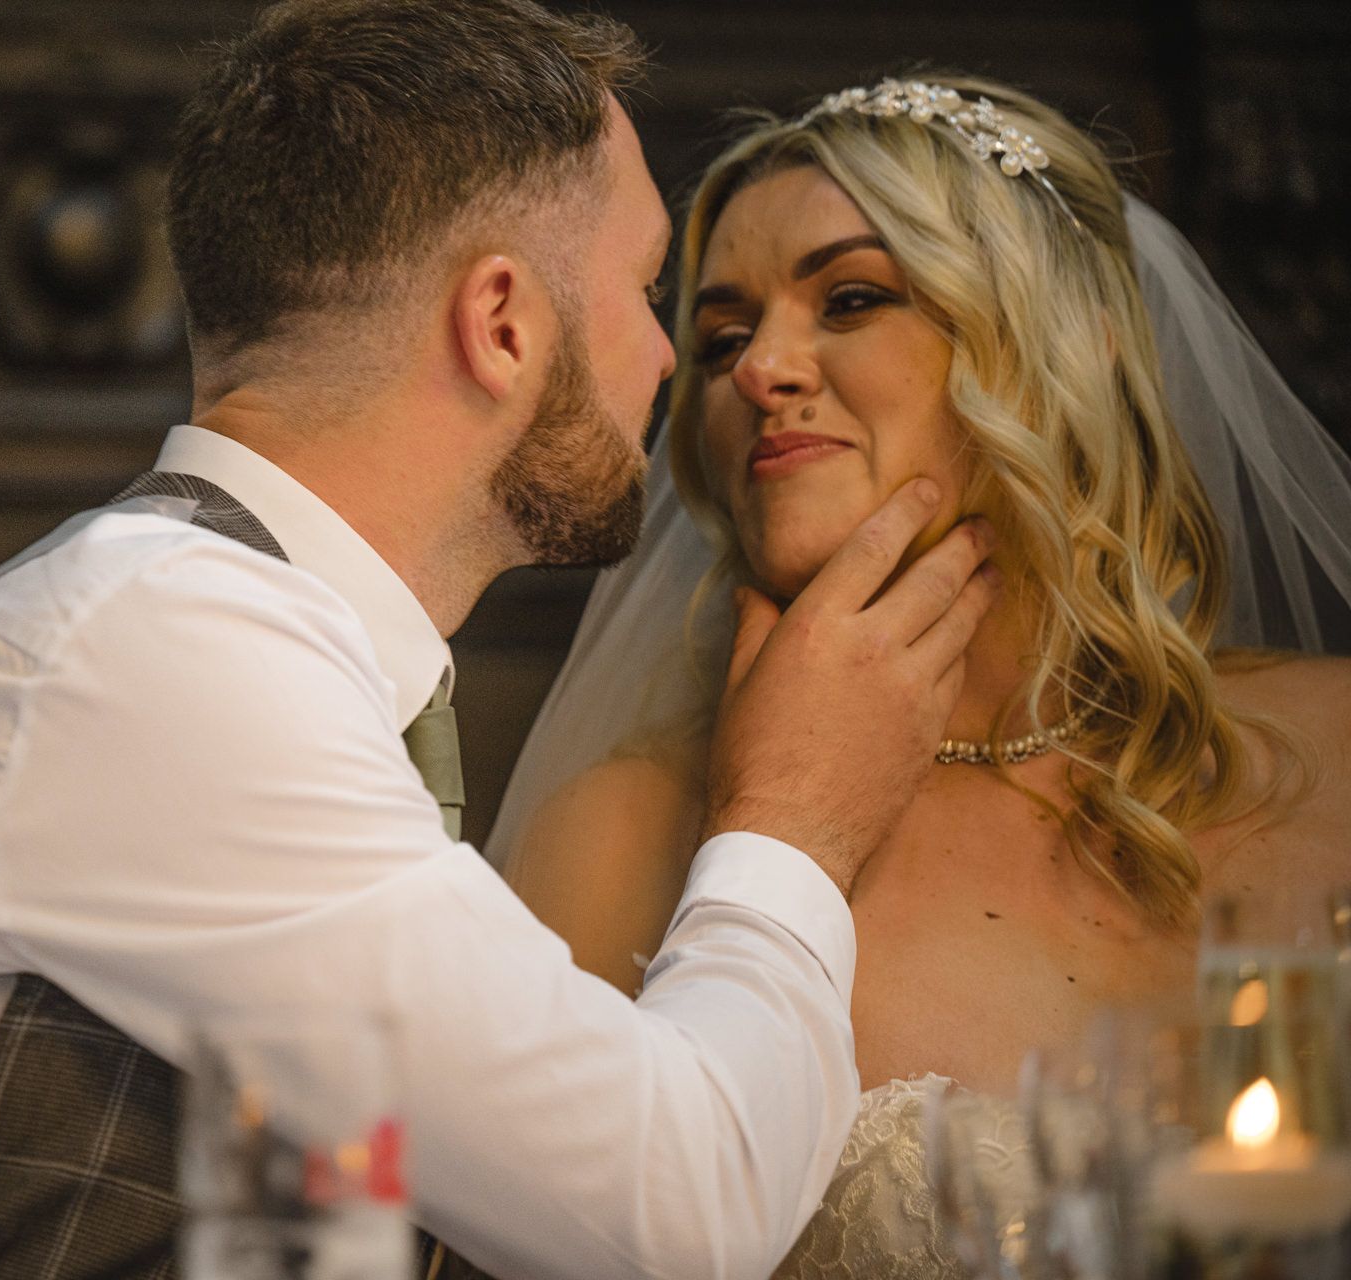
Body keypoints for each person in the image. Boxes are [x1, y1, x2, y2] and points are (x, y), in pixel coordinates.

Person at [0, 8, 1003, 1280]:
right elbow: (681, 1217)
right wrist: (796, 814)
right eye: (643, 290)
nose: (674, 359)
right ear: (504, 324)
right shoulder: (163, 647)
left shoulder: (216, 630)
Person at [493, 73, 1351, 1276]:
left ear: (1070, 347)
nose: (757, 369)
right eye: (723, 334)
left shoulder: (1339, 745)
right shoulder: (624, 835)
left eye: (850, 297)